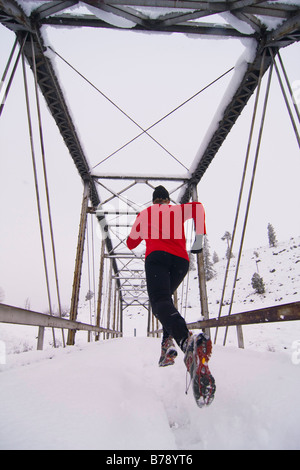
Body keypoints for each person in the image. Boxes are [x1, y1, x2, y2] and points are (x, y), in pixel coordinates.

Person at [127, 185, 215, 407]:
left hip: (157, 258)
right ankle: (167, 346)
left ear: (154, 201)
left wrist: (142, 227)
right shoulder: (177, 210)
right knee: (166, 303)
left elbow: (130, 243)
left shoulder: (145, 214)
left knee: (160, 304)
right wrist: (197, 241)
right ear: (167, 200)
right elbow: (199, 209)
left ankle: (186, 342)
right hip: (180, 262)